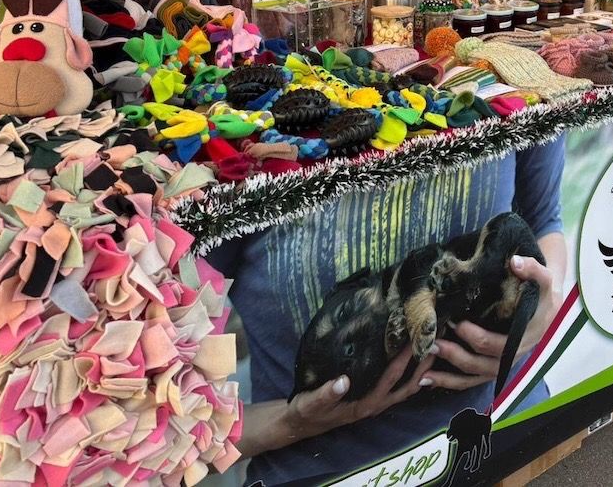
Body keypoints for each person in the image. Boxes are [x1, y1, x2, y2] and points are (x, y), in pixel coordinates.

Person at [203, 138, 567, 485]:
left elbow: (545, 220)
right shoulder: (213, 134)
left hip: (514, 440)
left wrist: (541, 313)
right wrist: (291, 422)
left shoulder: (502, 95)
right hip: (326, 473)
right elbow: (176, 430)